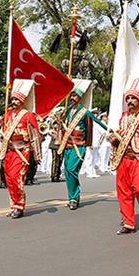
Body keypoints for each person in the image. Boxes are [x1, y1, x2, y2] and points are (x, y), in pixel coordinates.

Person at [109, 76, 139, 235]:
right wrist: (114, 140)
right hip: (124, 159)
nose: (130, 100)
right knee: (123, 191)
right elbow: (118, 138)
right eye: (128, 98)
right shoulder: (123, 117)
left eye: (133, 98)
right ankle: (128, 223)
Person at [58, 80, 107, 210]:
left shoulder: (84, 112)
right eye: (71, 96)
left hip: (78, 146)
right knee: (68, 171)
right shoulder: (68, 110)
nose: (72, 98)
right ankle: (72, 197)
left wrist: (109, 130)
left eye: (75, 96)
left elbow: (97, 122)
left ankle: (74, 196)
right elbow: (62, 123)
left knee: (72, 169)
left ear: (80, 98)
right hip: (67, 145)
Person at [0, 79, 41, 218]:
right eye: (13, 99)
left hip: (22, 151)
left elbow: (35, 135)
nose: (14, 101)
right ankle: (13, 205)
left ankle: (20, 205)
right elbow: (4, 134)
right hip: (9, 151)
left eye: (17, 99)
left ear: (22, 101)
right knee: (9, 179)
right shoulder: (7, 115)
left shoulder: (28, 115)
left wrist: (37, 154)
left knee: (16, 177)